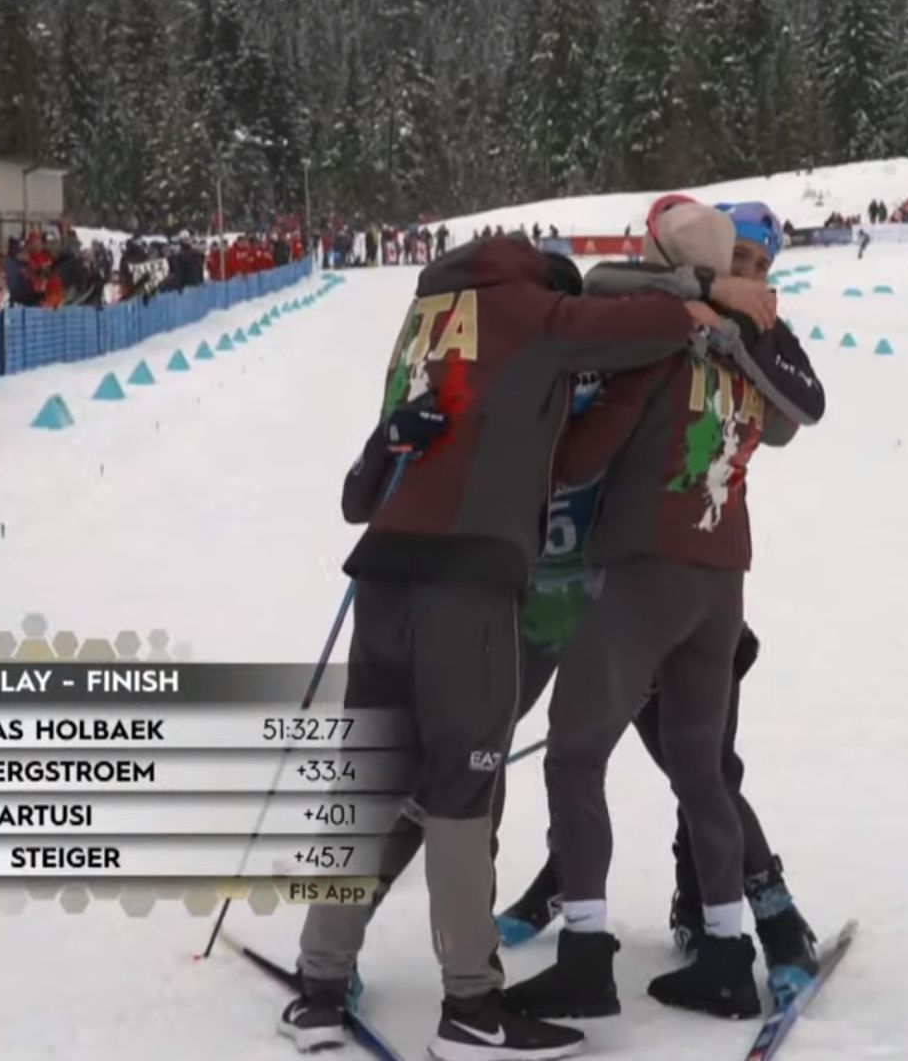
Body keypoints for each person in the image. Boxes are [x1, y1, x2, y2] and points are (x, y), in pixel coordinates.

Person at [286, 234, 751, 1061]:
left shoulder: (426, 316)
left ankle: (318, 981)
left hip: (384, 585)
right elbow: (647, 325)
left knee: (371, 785)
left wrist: (393, 440)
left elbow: (358, 496)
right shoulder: (528, 307)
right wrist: (708, 299)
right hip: (466, 588)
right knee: (468, 793)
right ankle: (471, 1007)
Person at [495, 200, 825, 1015]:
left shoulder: (661, 337)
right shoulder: (741, 348)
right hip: (722, 575)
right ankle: (723, 950)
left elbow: (583, 454)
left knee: (574, 754)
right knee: (699, 766)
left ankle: (584, 952)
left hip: (645, 564)